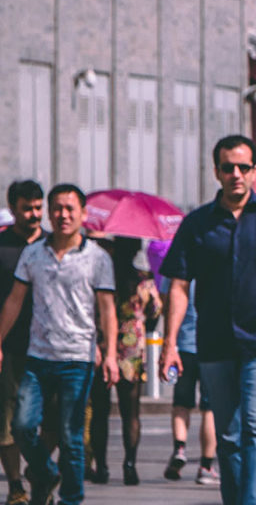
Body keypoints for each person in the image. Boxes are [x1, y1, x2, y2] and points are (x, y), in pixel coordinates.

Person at [160, 135, 256, 505]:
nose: (235, 174)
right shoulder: (197, 224)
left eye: (243, 167)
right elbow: (178, 286)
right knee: (228, 435)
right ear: (216, 171)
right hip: (214, 342)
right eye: (228, 167)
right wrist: (170, 344)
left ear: (255, 172)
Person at [0, 184, 120, 505]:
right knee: (22, 426)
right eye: (57, 208)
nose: (63, 215)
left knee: (71, 437)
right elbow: (14, 301)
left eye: (70, 209)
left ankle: (71, 498)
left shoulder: (98, 258)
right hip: (38, 357)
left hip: (77, 360)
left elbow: (107, 308)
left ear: (82, 214)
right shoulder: (33, 253)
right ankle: (46, 470)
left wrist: (109, 354)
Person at [88, 237, 162, 486]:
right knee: (131, 412)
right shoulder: (144, 279)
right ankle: (130, 464)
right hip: (131, 349)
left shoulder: (102, 277)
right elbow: (155, 313)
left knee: (100, 410)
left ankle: (102, 466)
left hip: (102, 345)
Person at [150, 240, 219, 486]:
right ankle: (206, 466)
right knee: (209, 409)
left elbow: (165, 303)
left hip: (181, 348)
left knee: (181, 403)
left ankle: (180, 449)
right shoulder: (213, 270)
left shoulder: (178, 271)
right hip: (211, 348)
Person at [0, 181, 47, 505]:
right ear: (13, 208)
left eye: (38, 207)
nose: (34, 214)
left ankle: (40, 472)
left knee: (50, 418)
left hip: (51, 348)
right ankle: (16, 485)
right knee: (7, 421)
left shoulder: (53, 245)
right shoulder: (2, 246)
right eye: (27, 208)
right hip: (11, 347)